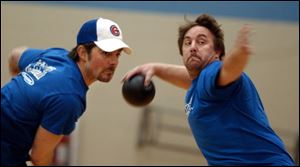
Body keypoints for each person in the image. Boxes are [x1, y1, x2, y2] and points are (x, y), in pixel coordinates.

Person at [122, 14, 295, 165]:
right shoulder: (198, 85)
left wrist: (240, 55)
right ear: (182, 52)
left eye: (202, 41)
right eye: (187, 42)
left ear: (217, 51)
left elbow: (228, 70)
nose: (193, 47)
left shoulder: (212, 72)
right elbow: (189, 79)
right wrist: (155, 68)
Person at [1, 17, 131, 166]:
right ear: (82, 52)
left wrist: (22, 88)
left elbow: (15, 55)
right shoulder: (69, 98)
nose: (113, 62)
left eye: (118, 54)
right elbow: (39, 157)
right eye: (106, 53)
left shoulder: (55, 55)